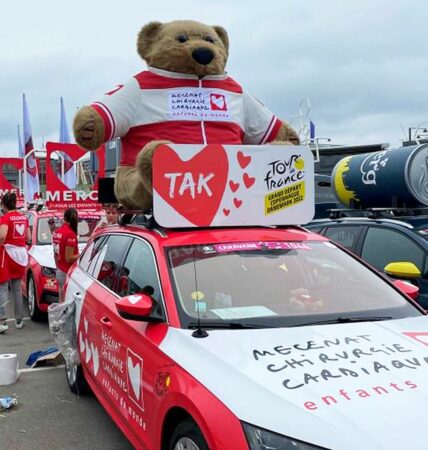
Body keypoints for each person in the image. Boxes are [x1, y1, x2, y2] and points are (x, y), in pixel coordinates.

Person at [0, 193, 30, 333]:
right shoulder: (23, 218)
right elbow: (28, 237)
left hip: (7, 254)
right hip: (21, 255)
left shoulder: (5, 218)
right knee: (17, 288)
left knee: (3, 287)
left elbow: (2, 236)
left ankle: (2, 321)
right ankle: (19, 320)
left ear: (4, 205)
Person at [52, 208, 79, 298]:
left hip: (59, 269)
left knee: (62, 300)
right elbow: (69, 258)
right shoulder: (70, 234)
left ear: (64, 218)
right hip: (67, 272)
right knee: (67, 302)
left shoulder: (56, 232)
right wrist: (82, 255)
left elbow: (55, 254)